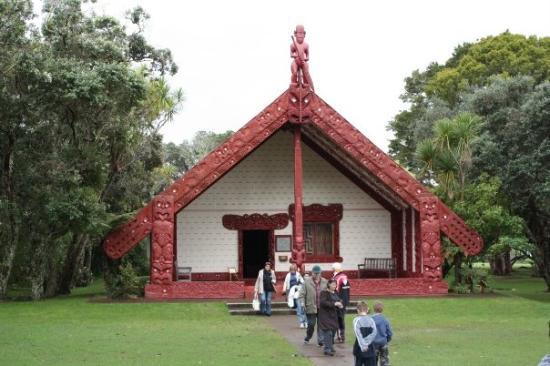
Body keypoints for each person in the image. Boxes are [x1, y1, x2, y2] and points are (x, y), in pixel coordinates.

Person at [299, 265, 327, 347]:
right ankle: (308, 337)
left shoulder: (325, 281)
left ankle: (320, 341)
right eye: (315, 273)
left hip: (322, 307)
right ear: (312, 273)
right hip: (310, 306)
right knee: (311, 324)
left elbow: (328, 293)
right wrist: (302, 303)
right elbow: (302, 294)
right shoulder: (307, 282)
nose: (317, 275)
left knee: (321, 324)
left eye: (318, 273)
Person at [318, 279, 344, 356]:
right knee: (327, 332)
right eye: (332, 284)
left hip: (334, 316)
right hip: (325, 316)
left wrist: (340, 304)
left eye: (335, 284)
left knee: (333, 332)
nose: (334, 286)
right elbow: (323, 303)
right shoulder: (324, 293)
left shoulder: (336, 292)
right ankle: (327, 349)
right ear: (328, 285)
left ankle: (331, 346)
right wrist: (334, 303)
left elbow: (339, 300)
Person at [352, 301, 378, 366]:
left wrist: (363, 345)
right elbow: (374, 333)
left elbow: (358, 334)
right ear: (367, 310)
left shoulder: (356, 320)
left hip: (359, 347)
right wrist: (366, 343)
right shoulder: (371, 320)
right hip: (370, 347)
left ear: (358, 310)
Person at [282, 264, 306, 328]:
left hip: (298, 292)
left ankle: (305, 321)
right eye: (291, 270)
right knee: (297, 308)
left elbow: (303, 282)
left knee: (302, 308)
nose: (292, 271)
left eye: (293, 269)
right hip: (291, 293)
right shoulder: (288, 275)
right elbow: (285, 282)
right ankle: (301, 322)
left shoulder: (298, 274)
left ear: (295, 269)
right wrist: (284, 290)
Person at [332, 262, 350, 342]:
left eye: (332, 268)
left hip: (339, 301)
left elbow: (341, 291)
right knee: (339, 319)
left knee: (339, 319)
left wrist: (341, 302)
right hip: (340, 301)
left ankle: (341, 336)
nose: (331, 269)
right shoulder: (341, 277)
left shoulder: (340, 277)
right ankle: (340, 336)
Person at [372, 301, 393, 366]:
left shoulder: (370, 319)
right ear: (382, 309)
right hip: (383, 342)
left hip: (373, 343)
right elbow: (389, 332)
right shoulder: (385, 319)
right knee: (384, 360)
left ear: (374, 309)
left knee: (373, 360)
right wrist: (387, 340)